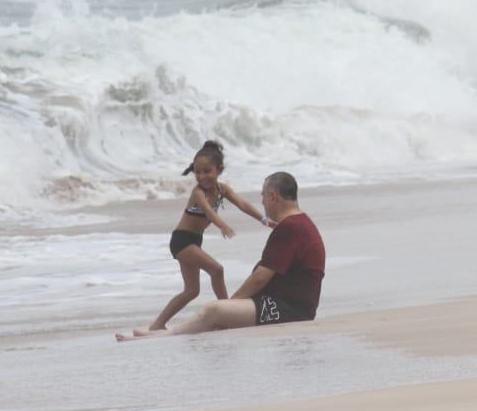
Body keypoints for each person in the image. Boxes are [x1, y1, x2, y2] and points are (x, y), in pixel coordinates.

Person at [119, 172, 324, 340]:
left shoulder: (290, 227)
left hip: (287, 310)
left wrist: (231, 305)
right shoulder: (301, 222)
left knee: (215, 311)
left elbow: (260, 277)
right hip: (292, 305)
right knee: (218, 313)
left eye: (263, 196)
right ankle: (163, 331)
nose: (261, 201)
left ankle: (164, 335)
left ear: (273, 196)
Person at [144, 141, 272, 332]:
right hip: (182, 240)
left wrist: (263, 220)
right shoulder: (198, 192)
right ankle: (228, 315)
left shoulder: (222, 190)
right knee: (217, 270)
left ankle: (157, 324)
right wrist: (223, 225)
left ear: (219, 170)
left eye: (207, 171)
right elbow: (207, 212)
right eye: (198, 172)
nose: (202, 176)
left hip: (194, 241)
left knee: (191, 291)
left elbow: (243, 204)